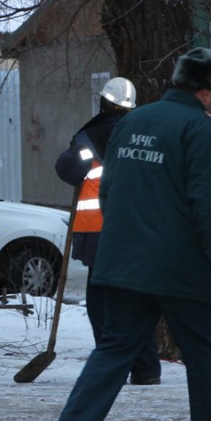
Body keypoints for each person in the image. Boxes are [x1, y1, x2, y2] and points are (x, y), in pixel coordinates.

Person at [46, 47, 211, 421]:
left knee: (115, 347)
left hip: (123, 258)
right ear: (205, 92)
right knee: (205, 347)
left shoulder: (131, 123)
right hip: (180, 266)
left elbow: (109, 193)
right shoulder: (206, 133)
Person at [55, 77, 162, 385]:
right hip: (139, 232)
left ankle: (112, 364)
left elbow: (66, 170)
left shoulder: (89, 138)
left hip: (99, 234)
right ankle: (146, 369)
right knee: (136, 301)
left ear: (103, 103)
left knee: (101, 304)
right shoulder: (145, 136)